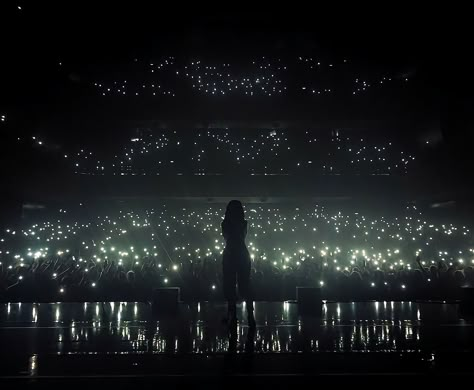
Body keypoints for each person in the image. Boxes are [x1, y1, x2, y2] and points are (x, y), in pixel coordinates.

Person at [221, 200, 256, 328]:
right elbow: (242, 236)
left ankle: (233, 315)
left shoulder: (225, 223)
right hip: (242, 253)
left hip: (230, 253)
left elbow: (227, 237)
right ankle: (250, 316)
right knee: (245, 285)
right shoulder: (244, 223)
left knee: (230, 284)